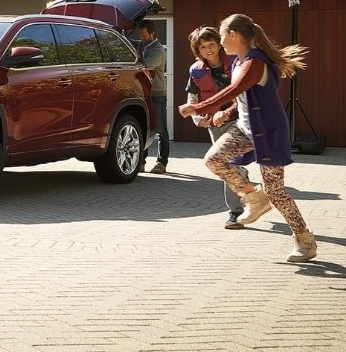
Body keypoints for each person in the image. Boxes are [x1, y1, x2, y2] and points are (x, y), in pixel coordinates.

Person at [178, 13, 316, 263]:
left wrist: (197, 108)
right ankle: (254, 197)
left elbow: (234, 90)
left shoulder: (256, 62)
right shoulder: (240, 61)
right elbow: (243, 98)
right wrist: (227, 112)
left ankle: (304, 240)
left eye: (221, 37)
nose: (219, 43)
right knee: (213, 160)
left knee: (276, 191)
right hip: (245, 128)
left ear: (233, 35)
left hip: (269, 132)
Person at [185, 26, 252, 230]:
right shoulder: (196, 70)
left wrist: (228, 112)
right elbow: (192, 97)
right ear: (197, 50)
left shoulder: (236, 63)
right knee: (226, 165)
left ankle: (235, 212)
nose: (208, 49)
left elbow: (244, 94)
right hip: (213, 123)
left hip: (238, 119)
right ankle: (242, 178)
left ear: (219, 44)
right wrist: (198, 119)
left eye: (211, 44)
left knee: (225, 161)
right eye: (203, 47)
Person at [135, 20, 169, 173]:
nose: (141, 37)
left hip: (157, 94)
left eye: (144, 34)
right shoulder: (143, 44)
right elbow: (132, 43)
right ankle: (140, 162)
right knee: (143, 128)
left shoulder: (158, 50)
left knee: (161, 130)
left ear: (152, 33)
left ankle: (162, 163)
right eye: (140, 35)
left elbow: (145, 65)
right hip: (144, 93)